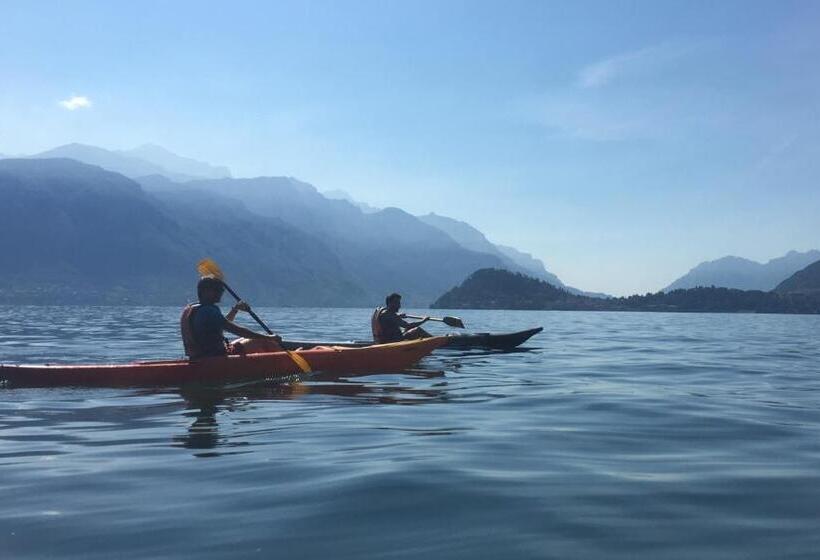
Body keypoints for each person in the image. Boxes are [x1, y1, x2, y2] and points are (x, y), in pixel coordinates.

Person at [181, 276, 282, 359]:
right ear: (205, 292)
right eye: (217, 290)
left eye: (221, 290)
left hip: (198, 358)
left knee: (245, 339)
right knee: (263, 340)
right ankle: (283, 363)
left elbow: (221, 325)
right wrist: (269, 337)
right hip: (216, 358)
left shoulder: (192, 308)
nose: (221, 293)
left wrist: (235, 309)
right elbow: (238, 331)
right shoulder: (209, 310)